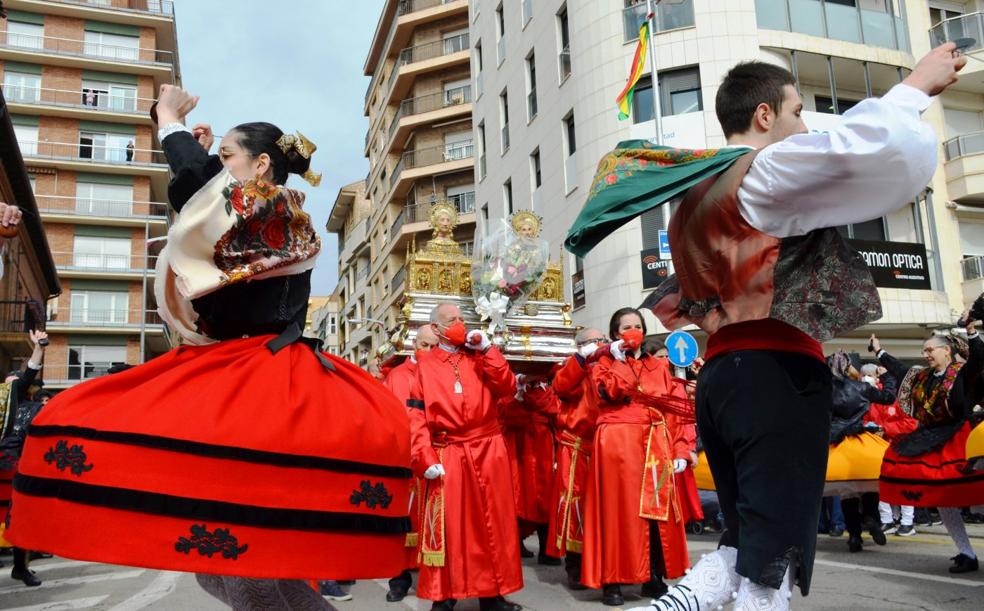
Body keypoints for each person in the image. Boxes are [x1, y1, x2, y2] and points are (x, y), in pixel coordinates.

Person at [7, 85, 413, 610]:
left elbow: (198, 192)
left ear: (261, 164)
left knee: (243, 564)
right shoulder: (262, 210)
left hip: (262, 378)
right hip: (240, 370)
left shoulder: (271, 206)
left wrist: (169, 121)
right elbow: (203, 199)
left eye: (228, 158)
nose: (219, 169)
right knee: (226, 565)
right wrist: (202, 158)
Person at [626, 44, 966, 611]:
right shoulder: (762, 170)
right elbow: (857, 146)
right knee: (768, 561)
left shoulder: (692, 198)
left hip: (724, 379)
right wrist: (914, 86)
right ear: (764, 116)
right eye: (797, 111)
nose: (803, 127)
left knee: (747, 542)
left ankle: (674, 604)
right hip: (774, 376)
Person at [407, 302, 522, 611]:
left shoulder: (480, 357)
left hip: (488, 447)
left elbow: (507, 386)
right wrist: (423, 455)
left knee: (492, 525)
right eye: (450, 320)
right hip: (448, 452)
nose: (458, 323)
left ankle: (492, 594)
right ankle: (443, 597)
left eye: (461, 318)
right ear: (435, 328)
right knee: (450, 527)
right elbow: (415, 417)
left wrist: (488, 350)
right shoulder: (424, 366)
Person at [581, 307, 690, 606]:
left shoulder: (658, 366)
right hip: (618, 445)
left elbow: (672, 408)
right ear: (616, 333)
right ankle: (612, 579)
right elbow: (609, 393)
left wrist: (680, 448)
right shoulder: (601, 363)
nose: (633, 331)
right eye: (626, 326)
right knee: (616, 513)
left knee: (656, 512)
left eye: (637, 325)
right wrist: (616, 359)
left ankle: (653, 575)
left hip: (655, 441)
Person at [872, 326, 984, 573]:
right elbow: (901, 371)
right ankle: (966, 552)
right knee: (944, 499)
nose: (926, 354)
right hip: (933, 438)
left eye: (930, 349)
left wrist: (973, 333)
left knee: (979, 494)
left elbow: (979, 358)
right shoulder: (922, 378)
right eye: (924, 350)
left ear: (947, 351)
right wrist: (880, 353)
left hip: (962, 439)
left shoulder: (962, 373)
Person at [382, 325, 439, 603]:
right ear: (414, 344)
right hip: (405, 457)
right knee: (403, 519)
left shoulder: (439, 371)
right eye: (424, 345)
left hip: (436, 454)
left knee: (435, 519)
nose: (429, 351)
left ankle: (435, 576)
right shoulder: (397, 375)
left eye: (433, 346)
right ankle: (399, 577)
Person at [546, 328, 604, 590]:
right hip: (577, 446)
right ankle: (575, 566)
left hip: (605, 445)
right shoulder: (569, 366)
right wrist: (581, 360)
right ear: (580, 346)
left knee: (605, 507)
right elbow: (561, 386)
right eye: (593, 341)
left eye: (601, 340)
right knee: (575, 505)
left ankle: (607, 564)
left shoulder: (609, 365)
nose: (599, 344)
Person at [823, 353, 893, 553]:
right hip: (860, 439)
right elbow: (888, 398)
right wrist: (887, 378)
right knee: (870, 482)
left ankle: (854, 536)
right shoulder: (862, 387)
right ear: (848, 368)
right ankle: (871, 517)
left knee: (847, 492)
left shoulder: (823, 390)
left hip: (835, 443)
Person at [0, 329, 47, 587]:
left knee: (19, 516)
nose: (8, 383)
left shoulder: (19, 400)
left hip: (13, 464)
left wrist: (39, 348)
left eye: (13, 381)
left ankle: (20, 567)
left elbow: (28, 372)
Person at [500, 372, 558, 566]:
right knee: (517, 496)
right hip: (519, 447)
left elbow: (555, 411)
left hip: (542, 446)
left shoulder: (547, 391)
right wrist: (519, 392)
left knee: (545, 497)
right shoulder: (510, 388)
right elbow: (505, 414)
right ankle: (516, 543)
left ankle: (546, 548)